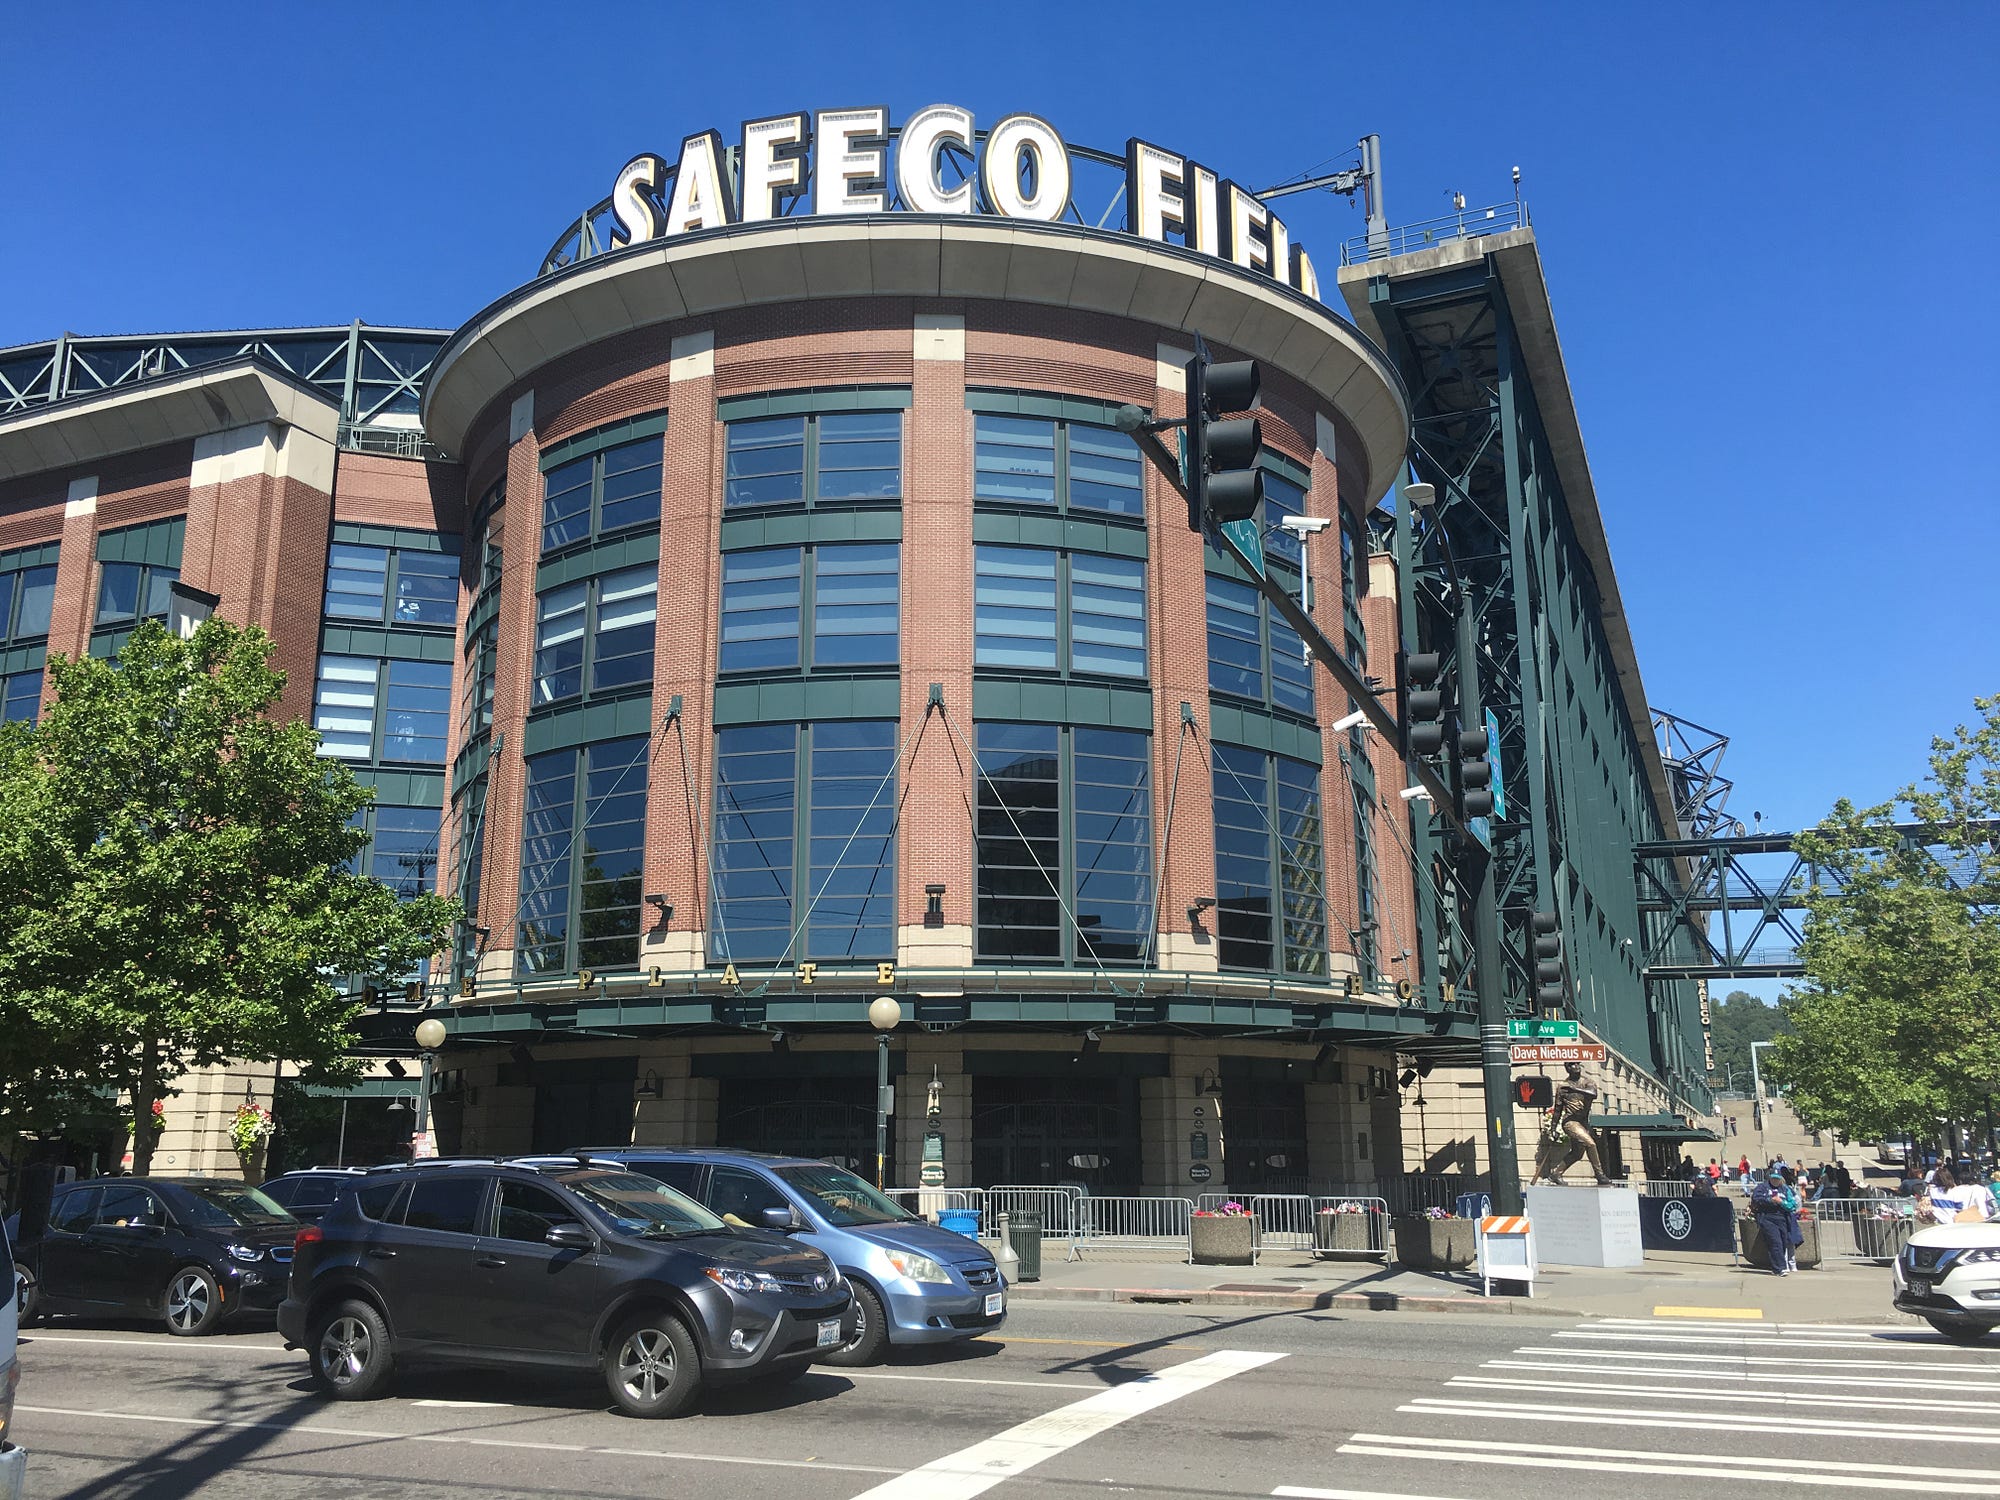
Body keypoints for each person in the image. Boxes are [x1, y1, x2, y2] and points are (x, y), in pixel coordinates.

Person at [1751, 1169, 1803, 1274]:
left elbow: (1793, 1203)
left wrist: (1781, 1202)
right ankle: (1780, 1268)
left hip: (1783, 1218)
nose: (1775, 1180)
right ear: (1770, 1178)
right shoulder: (1762, 1187)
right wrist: (1770, 1200)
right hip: (1768, 1218)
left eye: (1777, 1178)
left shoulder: (1785, 1189)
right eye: (1773, 1178)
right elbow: (1756, 1198)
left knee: (1783, 1242)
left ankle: (1779, 1266)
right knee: (1775, 1242)